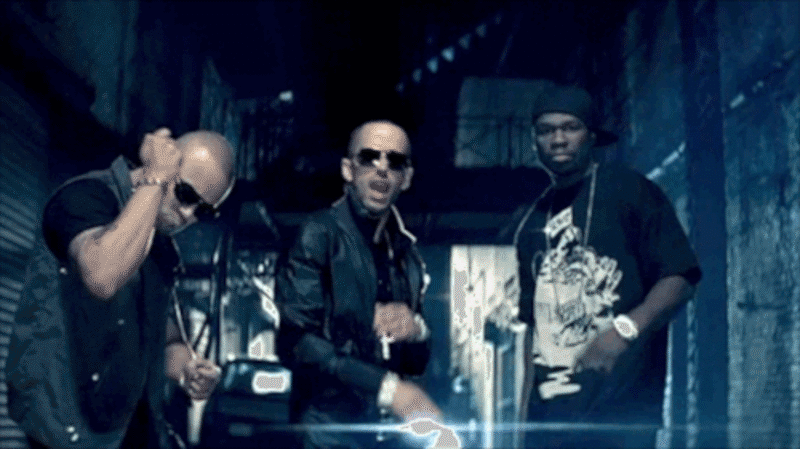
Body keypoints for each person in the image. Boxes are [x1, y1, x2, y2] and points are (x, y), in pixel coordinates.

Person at [6, 128, 234, 449]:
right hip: (66, 429)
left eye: (205, 210)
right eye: (186, 195)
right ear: (165, 165)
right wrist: (156, 178)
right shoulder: (85, 198)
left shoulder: (161, 246)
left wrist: (188, 367)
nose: (189, 215)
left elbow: (164, 337)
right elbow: (102, 276)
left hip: (129, 431)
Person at [512, 85, 702, 448]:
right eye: (546, 130)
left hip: (621, 420)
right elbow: (532, 333)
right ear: (535, 141)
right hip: (548, 427)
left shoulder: (631, 193)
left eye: (570, 128)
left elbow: (680, 278)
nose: (558, 139)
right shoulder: (530, 226)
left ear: (591, 136)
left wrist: (623, 331)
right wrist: (522, 428)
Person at [276, 120, 442, 448]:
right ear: (348, 170)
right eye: (369, 157)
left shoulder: (407, 255)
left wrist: (417, 330)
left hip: (389, 438)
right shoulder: (318, 234)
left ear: (406, 178)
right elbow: (298, 343)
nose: (382, 168)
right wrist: (389, 390)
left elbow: (416, 363)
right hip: (326, 437)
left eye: (395, 161)